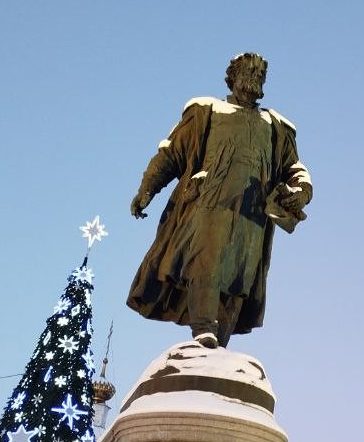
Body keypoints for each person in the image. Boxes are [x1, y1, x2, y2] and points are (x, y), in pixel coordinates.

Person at [127, 52, 312, 347]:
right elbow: (171, 153)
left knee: (240, 278)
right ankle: (203, 329)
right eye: (249, 73)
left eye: (260, 75)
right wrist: (148, 188)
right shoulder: (207, 111)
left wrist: (300, 192)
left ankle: (218, 345)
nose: (254, 80)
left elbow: (295, 169)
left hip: (252, 214)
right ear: (233, 77)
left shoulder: (275, 126)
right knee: (205, 263)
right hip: (209, 202)